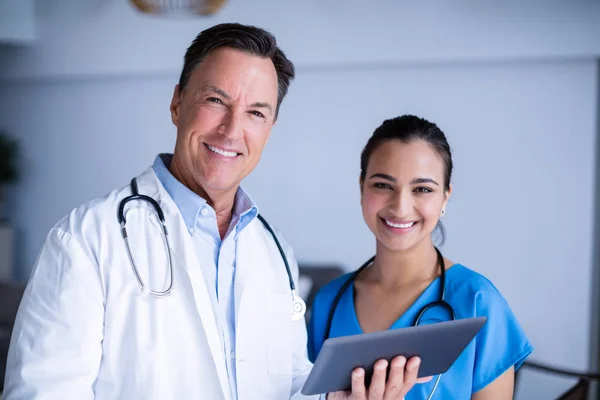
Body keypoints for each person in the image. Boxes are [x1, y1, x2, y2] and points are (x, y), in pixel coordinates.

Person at [4, 24, 424, 400]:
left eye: (256, 113)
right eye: (215, 100)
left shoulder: (275, 252)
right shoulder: (85, 240)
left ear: (269, 128)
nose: (231, 130)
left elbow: (289, 379)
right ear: (177, 103)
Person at [308, 115, 534, 399]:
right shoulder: (329, 301)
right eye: (383, 185)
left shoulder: (478, 301)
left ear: (445, 199)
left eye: (423, 189)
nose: (401, 208)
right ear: (361, 186)